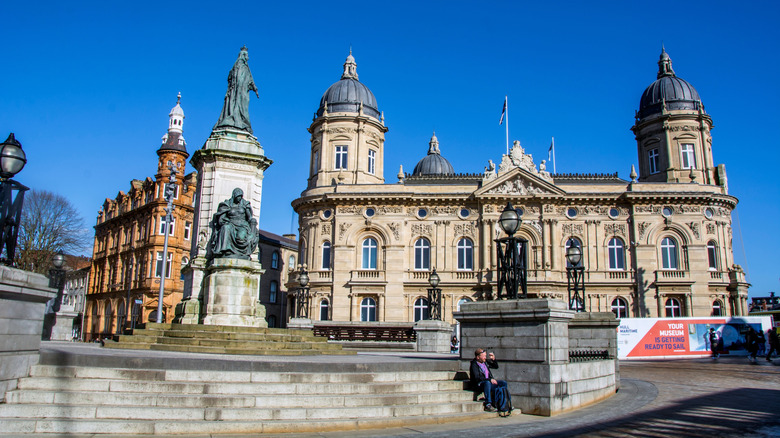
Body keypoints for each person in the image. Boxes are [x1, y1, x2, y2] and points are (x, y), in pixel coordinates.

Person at [210, 188, 260, 260]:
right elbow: (221, 218)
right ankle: (226, 250)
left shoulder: (245, 204)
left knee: (241, 237)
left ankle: (241, 253)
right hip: (231, 223)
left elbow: (249, 218)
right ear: (234, 196)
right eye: (238, 196)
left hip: (242, 225)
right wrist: (225, 221)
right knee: (225, 228)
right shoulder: (227, 204)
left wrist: (252, 222)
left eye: (241, 196)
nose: (239, 198)